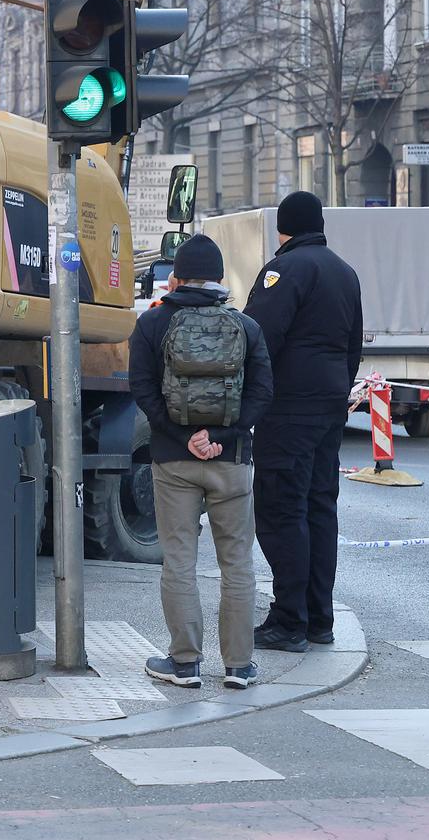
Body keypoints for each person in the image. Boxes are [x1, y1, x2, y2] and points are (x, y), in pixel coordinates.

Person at [128, 234, 273, 690]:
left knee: (179, 561)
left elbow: (142, 389)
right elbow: (262, 393)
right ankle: (239, 666)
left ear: (176, 277)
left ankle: (185, 663)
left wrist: (183, 437)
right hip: (232, 460)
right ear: (219, 278)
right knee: (237, 564)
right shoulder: (245, 326)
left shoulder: (153, 324)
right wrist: (221, 436)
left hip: (174, 461)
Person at [244, 191, 364, 653]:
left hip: (289, 407)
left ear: (283, 228)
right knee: (319, 508)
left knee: (281, 509)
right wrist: (336, 393)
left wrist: (248, 400)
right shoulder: (345, 272)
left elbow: (260, 338)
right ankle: (318, 618)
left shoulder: (285, 270)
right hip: (329, 405)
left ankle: (288, 620)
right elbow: (353, 345)